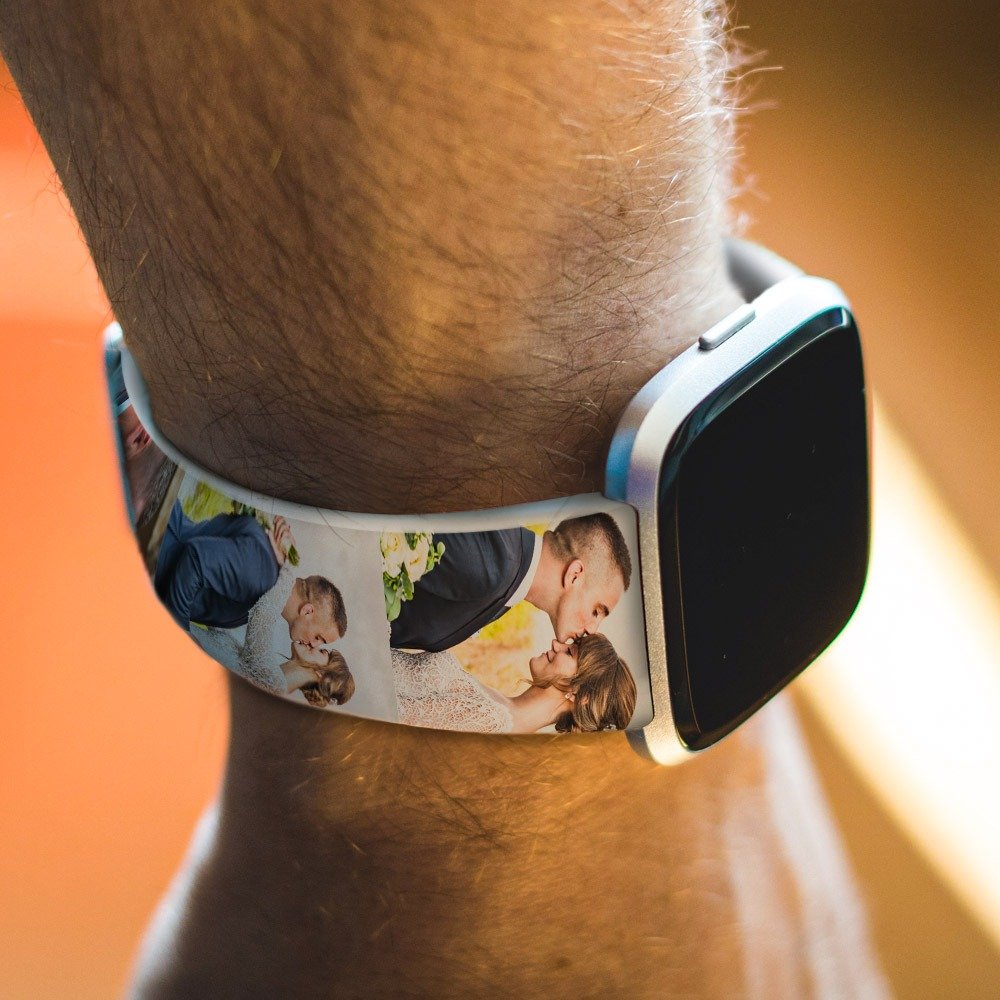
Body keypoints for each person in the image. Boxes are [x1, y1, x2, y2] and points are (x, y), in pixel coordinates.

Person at [0, 2, 888, 997]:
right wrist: (485, 823)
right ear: (583, 567)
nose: (600, 622)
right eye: (609, 608)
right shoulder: (492, 572)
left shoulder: (495, 586)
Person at [390, 513, 632, 651]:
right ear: (575, 575)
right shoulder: (493, 564)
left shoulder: (508, 581)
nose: (592, 630)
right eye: (597, 611)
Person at [155, 504, 347, 650]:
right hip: (154, 542)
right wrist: (177, 631)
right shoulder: (264, 574)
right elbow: (195, 559)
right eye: (319, 638)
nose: (314, 645)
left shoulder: (267, 588)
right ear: (307, 611)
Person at [393, 633, 636, 733]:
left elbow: (389, 717)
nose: (556, 644)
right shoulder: (501, 709)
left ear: (580, 694)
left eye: (570, 652)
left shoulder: (492, 720)